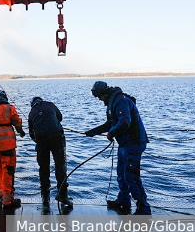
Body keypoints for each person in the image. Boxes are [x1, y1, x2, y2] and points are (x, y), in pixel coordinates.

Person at [85, 81, 151, 215]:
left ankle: (144, 210)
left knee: (131, 176)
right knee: (121, 174)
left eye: (99, 96)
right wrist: (93, 132)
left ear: (104, 93)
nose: (99, 99)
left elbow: (125, 122)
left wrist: (111, 133)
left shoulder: (120, 100)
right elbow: (110, 123)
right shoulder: (112, 102)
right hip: (125, 144)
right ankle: (124, 201)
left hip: (134, 143)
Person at [28, 96, 72, 208]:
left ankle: (45, 198)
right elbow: (60, 117)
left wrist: (38, 139)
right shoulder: (50, 104)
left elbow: (31, 134)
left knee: (43, 168)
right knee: (60, 166)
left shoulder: (31, 113)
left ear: (32, 104)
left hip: (41, 140)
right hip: (56, 137)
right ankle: (62, 195)